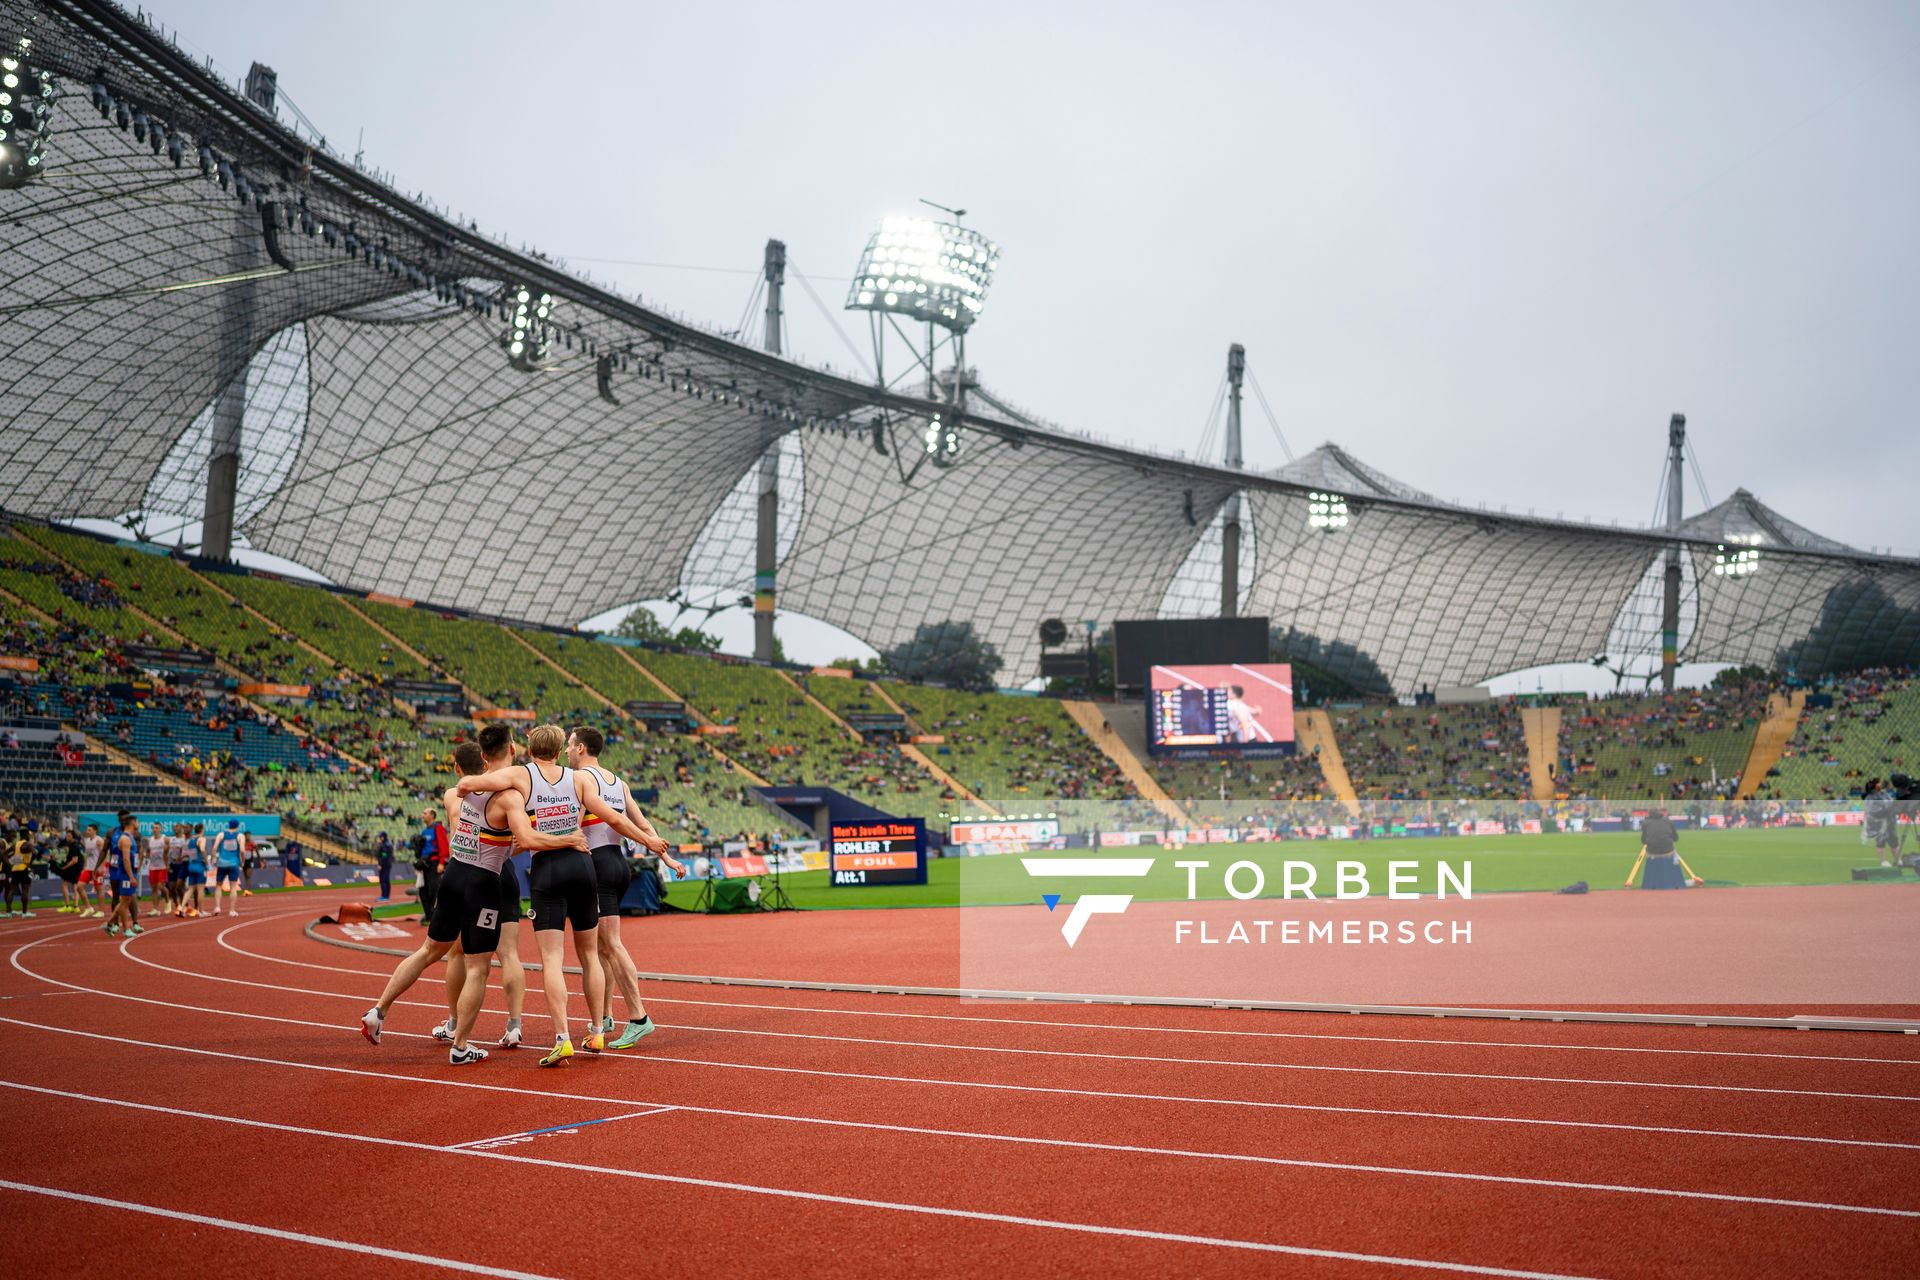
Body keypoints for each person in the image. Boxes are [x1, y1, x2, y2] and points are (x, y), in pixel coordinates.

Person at [360, 733, 586, 1065]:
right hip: (483, 883)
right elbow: (524, 838)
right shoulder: (509, 796)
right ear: (512, 751)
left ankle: (378, 1011)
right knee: (478, 967)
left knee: (428, 951)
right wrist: (568, 838)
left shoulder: (459, 791)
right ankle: (462, 1046)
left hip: (453, 875)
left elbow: (487, 827)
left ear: (482, 756)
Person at [456, 723, 670, 1066]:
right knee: (589, 954)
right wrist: (649, 842)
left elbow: (466, 784)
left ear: (529, 749)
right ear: (559, 751)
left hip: (548, 869)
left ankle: (562, 1038)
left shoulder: (521, 776)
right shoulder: (579, 779)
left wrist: (475, 788)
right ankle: (599, 1029)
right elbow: (615, 819)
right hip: (583, 867)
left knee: (552, 960)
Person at [566, 725, 686, 1049]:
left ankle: (639, 1018)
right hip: (618, 864)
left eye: (569, 745)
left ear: (580, 748)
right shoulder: (619, 783)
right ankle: (605, 1017)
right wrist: (668, 859)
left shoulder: (581, 780)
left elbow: (580, 825)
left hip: (599, 866)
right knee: (602, 949)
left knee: (611, 945)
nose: (565, 750)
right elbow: (644, 823)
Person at [102, 812, 143, 937]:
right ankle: (125, 929)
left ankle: (109, 924)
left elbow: (132, 856)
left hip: (130, 873)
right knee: (125, 902)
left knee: (125, 901)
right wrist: (131, 876)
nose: (139, 824)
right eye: (137, 822)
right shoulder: (125, 839)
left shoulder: (130, 837)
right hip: (125, 874)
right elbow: (125, 859)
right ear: (132, 823)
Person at [208, 820, 246, 917]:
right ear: (237, 826)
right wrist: (243, 861)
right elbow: (242, 850)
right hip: (234, 864)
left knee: (218, 885)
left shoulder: (221, 834)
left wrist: (213, 858)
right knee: (233, 886)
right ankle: (232, 910)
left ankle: (217, 906)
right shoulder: (240, 836)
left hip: (222, 864)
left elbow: (214, 848)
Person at [1863, 779, 1899, 868]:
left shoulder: (1884, 794)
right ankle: (1884, 861)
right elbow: (1873, 810)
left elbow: (1892, 803)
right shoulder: (1870, 797)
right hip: (1878, 822)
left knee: (1894, 840)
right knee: (1881, 841)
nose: (1880, 784)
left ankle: (1897, 859)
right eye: (1878, 783)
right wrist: (1887, 811)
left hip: (1890, 821)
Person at [77, 823, 105, 918]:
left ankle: (101, 911)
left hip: (96, 869)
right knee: (79, 887)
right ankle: (88, 908)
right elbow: (87, 855)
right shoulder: (87, 840)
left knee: (99, 889)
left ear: (94, 831)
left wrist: (102, 867)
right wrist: (84, 866)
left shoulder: (99, 840)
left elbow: (104, 854)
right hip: (88, 868)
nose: (87, 831)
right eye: (87, 829)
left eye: (89, 830)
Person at [3, 823, 31, 916]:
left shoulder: (16, 844)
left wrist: (11, 864)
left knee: (11, 890)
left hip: (14, 869)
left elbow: (4, 854)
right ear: (26, 835)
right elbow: (34, 853)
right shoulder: (27, 843)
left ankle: (8, 911)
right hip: (23, 868)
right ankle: (24, 912)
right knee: (25, 889)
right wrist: (29, 864)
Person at [182, 822, 208, 917]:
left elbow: (188, 853)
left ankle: (181, 908)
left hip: (191, 866)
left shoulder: (190, 839)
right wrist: (206, 861)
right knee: (201, 889)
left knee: (190, 889)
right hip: (199, 866)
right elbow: (202, 850)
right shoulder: (201, 839)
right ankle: (201, 911)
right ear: (202, 830)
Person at [55, 830, 84, 914]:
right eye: (66, 836)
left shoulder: (74, 846)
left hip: (73, 868)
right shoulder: (73, 845)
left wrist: (65, 867)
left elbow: (75, 860)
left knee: (64, 884)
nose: (67, 838)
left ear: (73, 837)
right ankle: (75, 906)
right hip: (77, 868)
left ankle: (67, 906)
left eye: (69, 836)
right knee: (74, 886)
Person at [144, 821, 169, 912]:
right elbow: (148, 850)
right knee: (154, 889)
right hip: (152, 867)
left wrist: (167, 863)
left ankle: (167, 899)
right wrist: (146, 856)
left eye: (157, 828)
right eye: (153, 828)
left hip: (162, 866)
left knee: (160, 886)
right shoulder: (150, 840)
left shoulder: (164, 839)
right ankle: (155, 908)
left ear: (161, 829)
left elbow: (169, 851)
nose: (155, 830)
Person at [374, 830, 394, 902]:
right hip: (388, 864)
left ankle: (384, 896)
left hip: (384, 865)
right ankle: (386, 895)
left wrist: (380, 864)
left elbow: (384, 855)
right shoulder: (388, 844)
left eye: (381, 837)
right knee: (386, 880)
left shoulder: (385, 845)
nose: (380, 838)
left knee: (383, 880)